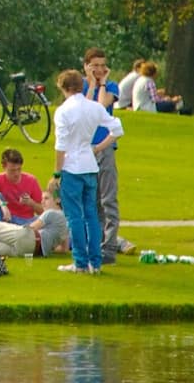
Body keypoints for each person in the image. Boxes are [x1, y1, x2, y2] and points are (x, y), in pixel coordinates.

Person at [54, 68, 124, 274]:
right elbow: (117, 130)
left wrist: (57, 173)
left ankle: (80, 262)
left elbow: (60, 145)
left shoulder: (63, 111)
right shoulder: (94, 108)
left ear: (63, 88)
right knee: (91, 215)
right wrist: (98, 147)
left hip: (71, 167)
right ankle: (96, 262)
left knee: (75, 216)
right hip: (89, 164)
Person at [82, 49, 134, 262]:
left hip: (104, 148)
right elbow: (84, 109)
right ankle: (95, 245)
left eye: (103, 65)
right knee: (91, 202)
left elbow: (100, 106)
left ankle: (109, 248)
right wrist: (92, 85)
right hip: (85, 150)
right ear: (86, 66)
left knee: (108, 200)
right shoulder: (82, 87)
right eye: (95, 65)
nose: (100, 69)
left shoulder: (111, 87)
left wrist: (101, 83)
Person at [0, 185, 70, 258]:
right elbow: (64, 249)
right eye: (42, 199)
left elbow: (32, 228)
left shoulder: (51, 212)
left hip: (27, 236)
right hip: (32, 252)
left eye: (46, 198)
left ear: (58, 200)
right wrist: (48, 246)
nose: (42, 202)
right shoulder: (66, 221)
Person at [0, 148, 45, 225]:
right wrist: (3, 205)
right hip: (7, 219)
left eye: (19, 169)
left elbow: (43, 211)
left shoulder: (31, 180)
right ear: (4, 167)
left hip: (27, 220)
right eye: (12, 170)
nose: (16, 174)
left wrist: (31, 203)